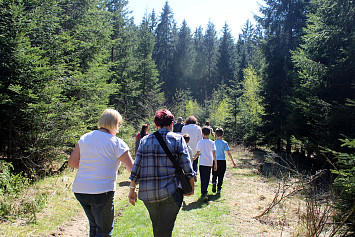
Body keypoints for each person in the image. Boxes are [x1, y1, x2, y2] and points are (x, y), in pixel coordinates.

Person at [128, 109, 195, 237]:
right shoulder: (178, 139)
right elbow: (187, 167)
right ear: (172, 124)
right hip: (171, 192)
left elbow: (136, 167)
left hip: (148, 194)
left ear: (156, 124)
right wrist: (191, 187)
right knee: (165, 230)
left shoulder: (144, 141)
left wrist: (132, 189)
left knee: (157, 228)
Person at [68, 108, 134, 237]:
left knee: (94, 226)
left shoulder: (85, 138)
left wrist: (90, 167)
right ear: (115, 124)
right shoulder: (117, 143)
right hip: (101, 191)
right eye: (119, 125)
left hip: (80, 189)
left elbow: (72, 162)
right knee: (104, 231)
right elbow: (132, 169)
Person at [193, 126, 217, 201]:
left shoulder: (200, 142)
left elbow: (197, 153)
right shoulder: (212, 142)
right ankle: (205, 191)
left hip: (202, 162)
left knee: (202, 177)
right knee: (207, 177)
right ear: (210, 133)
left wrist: (194, 158)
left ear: (202, 133)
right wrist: (215, 163)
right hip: (209, 162)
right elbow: (214, 154)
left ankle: (204, 192)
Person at [212, 127, 237, 194]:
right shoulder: (224, 143)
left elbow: (212, 152)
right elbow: (228, 153)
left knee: (214, 173)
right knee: (221, 175)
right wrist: (233, 162)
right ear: (223, 134)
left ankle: (214, 182)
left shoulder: (213, 143)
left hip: (215, 160)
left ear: (216, 134)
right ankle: (219, 188)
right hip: (222, 160)